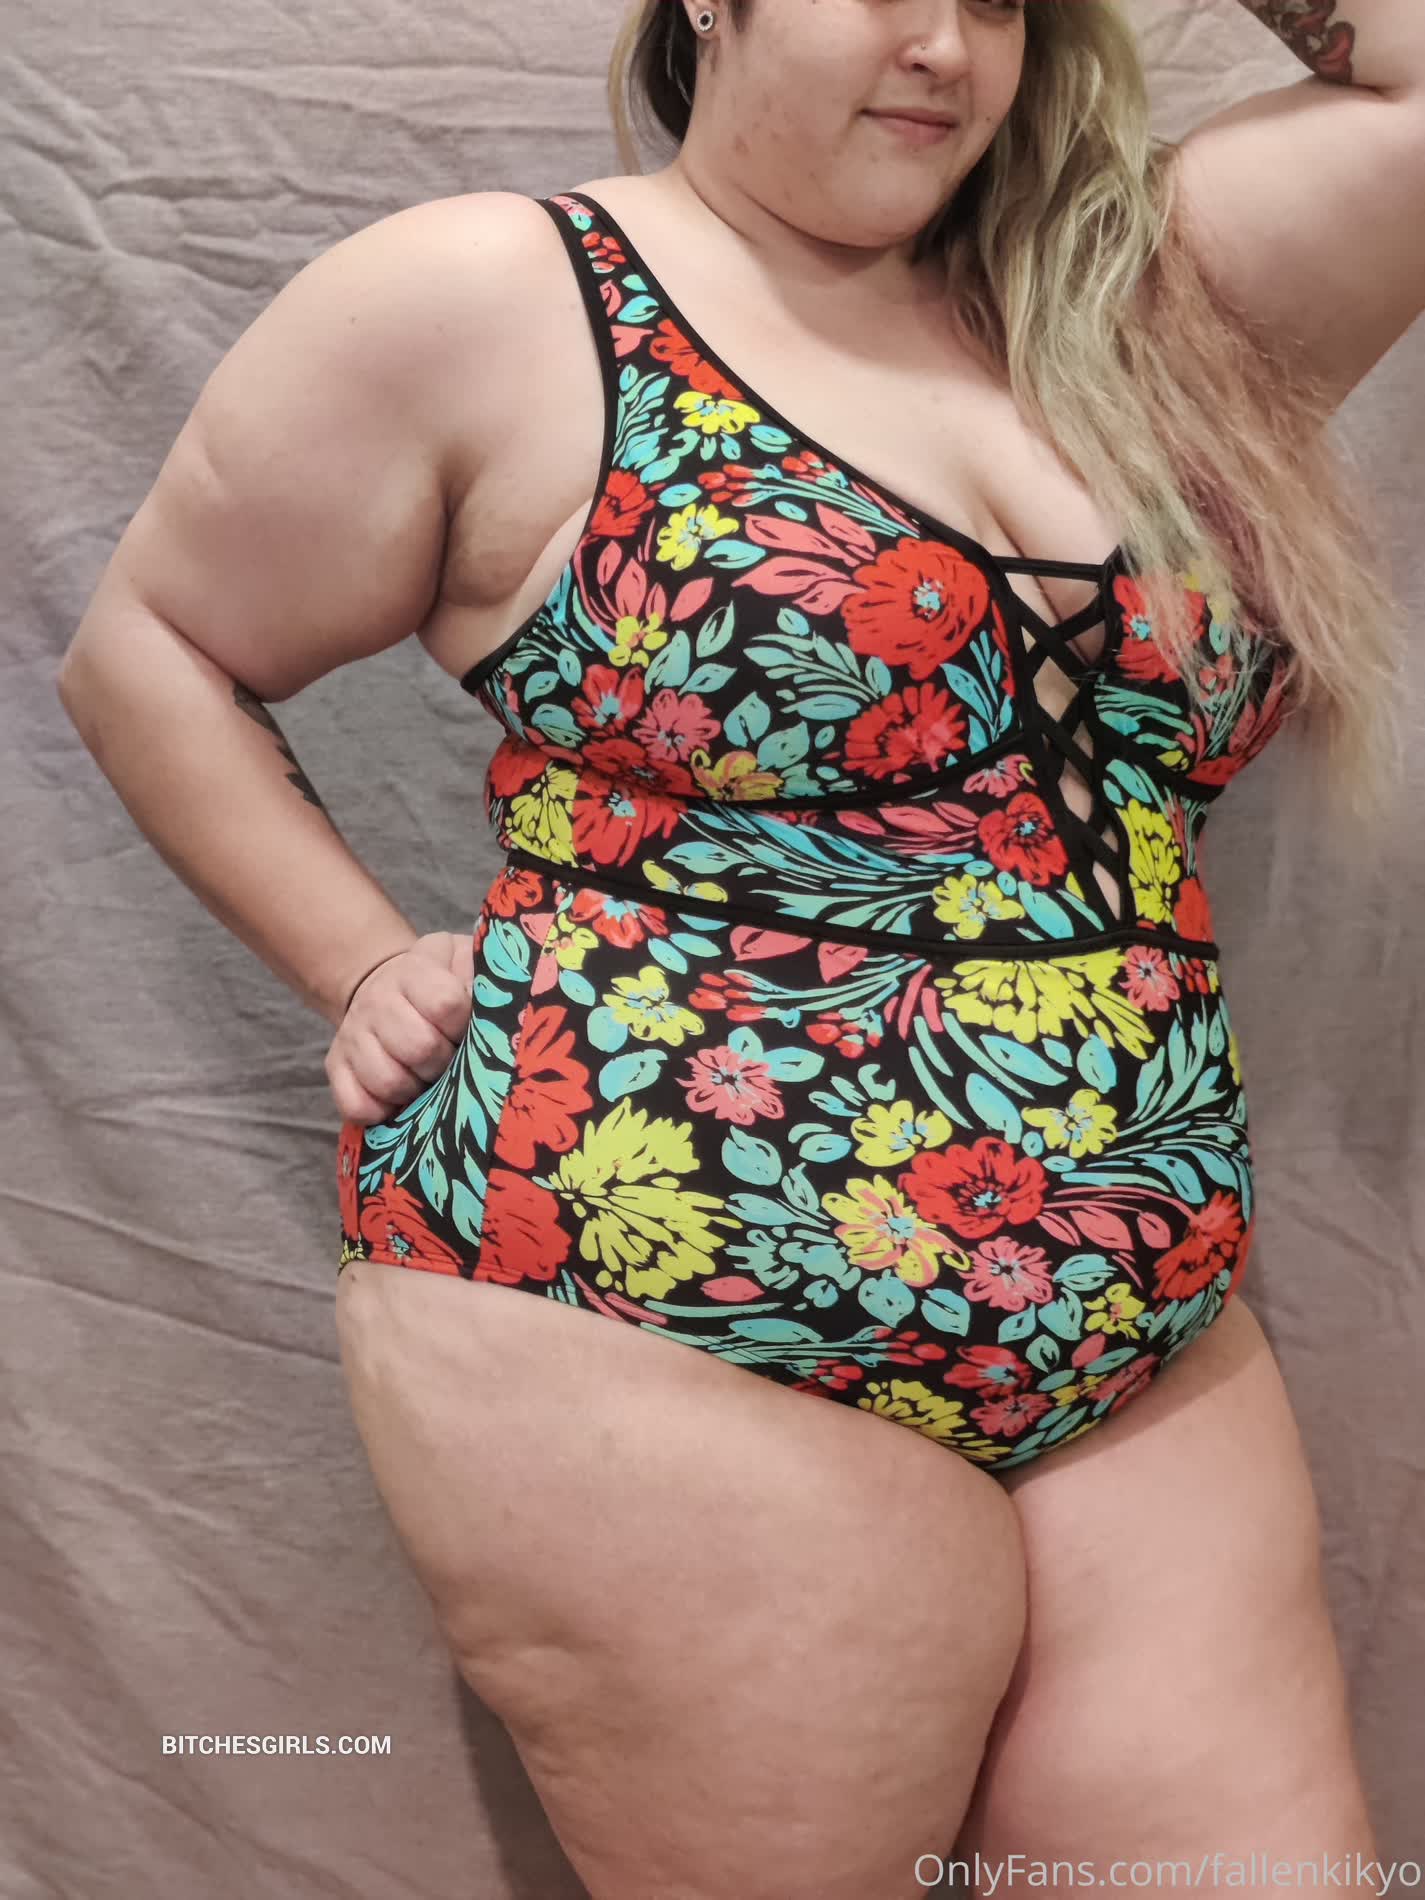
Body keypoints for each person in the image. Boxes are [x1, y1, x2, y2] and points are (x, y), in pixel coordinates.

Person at [60, 0, 1424, 1893]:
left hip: (1135, 1325)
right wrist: (356, 959)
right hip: (668, 1310)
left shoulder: (1126, 302)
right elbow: (151, 645)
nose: (943, 48)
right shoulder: (504, 295)